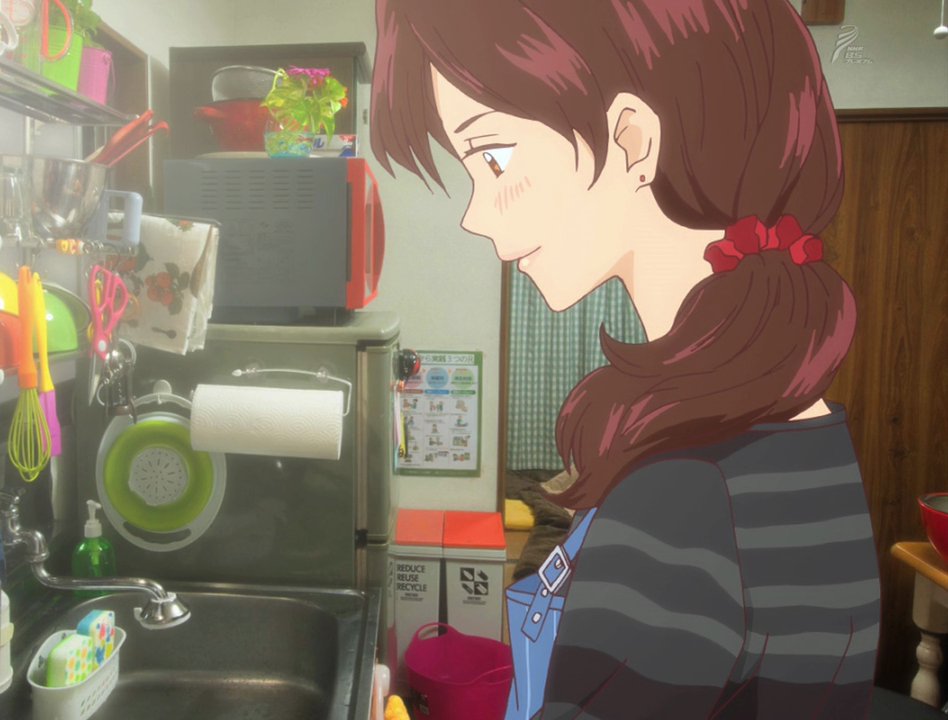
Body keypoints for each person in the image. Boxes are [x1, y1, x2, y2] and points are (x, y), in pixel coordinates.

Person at [370, 1, 881, 718]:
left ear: (632, 138)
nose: (474, 214)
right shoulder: (801, 436)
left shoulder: (686, 496)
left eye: (493, 158)